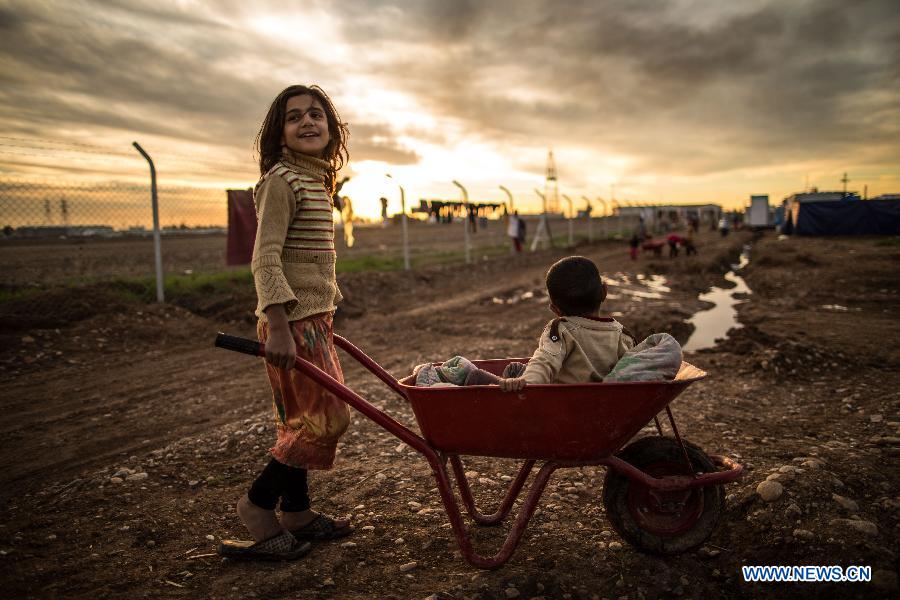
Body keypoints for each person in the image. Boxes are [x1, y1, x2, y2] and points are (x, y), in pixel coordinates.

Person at [218, 85, 353, 561]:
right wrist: (277, 325)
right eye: (294, 117)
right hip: (290, 323)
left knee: (301, 420)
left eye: (316, 114)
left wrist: (324, 307)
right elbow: (266, 258)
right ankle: (257, 507)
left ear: (332, 130)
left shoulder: (315, 181)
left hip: (312, 319)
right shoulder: (282, 181)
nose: (307, 122)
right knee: (325, 419)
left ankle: (296, 511)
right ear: (279, 134)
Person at [500, 256, 635, 391]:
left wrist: (525, 383)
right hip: (609, 404)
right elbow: (633, 371)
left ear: (555, 309)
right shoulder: (623, 335)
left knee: (492, 375)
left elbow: (544, 362)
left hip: (564, 406)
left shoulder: (562, 330)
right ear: (604, 291)